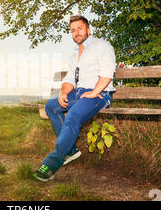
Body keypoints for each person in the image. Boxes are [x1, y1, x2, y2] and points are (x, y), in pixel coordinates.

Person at [33, 15, 116, 182]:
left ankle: (51, 164)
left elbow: (107, 73)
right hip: (79, 93)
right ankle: (71, 149)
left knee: (73, 116)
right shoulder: (74, 54)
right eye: (73, 30)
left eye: (79, 28)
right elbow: (70, 78)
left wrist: (94, 91)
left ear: (88, 29)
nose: (76, 33)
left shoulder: (102, 46)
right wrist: (63, 92)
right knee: (51, 106)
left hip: (100, 94)